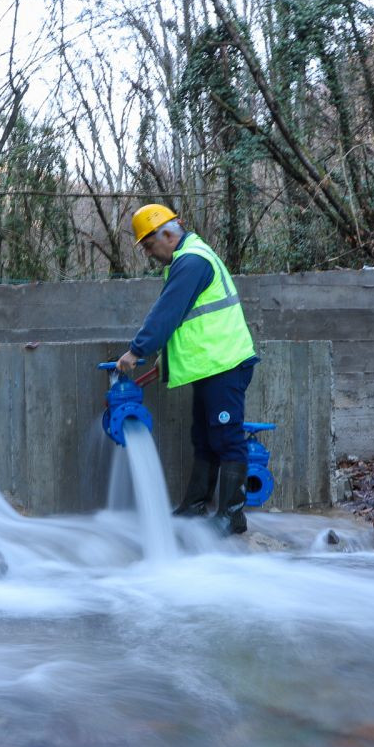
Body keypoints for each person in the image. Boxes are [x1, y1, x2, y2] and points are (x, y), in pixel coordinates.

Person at [116, 204, 258, 534]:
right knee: (204, 438)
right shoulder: (189, 259)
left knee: (227, 437)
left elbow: (166, 313)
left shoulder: (192, 261)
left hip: (225, 363)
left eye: (149, 245)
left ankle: (232, 516)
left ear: (167, 233)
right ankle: (194, 507)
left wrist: (136, 351)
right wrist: (166, 356)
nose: (150, 254)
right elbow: (188, 320)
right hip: (210, 365)